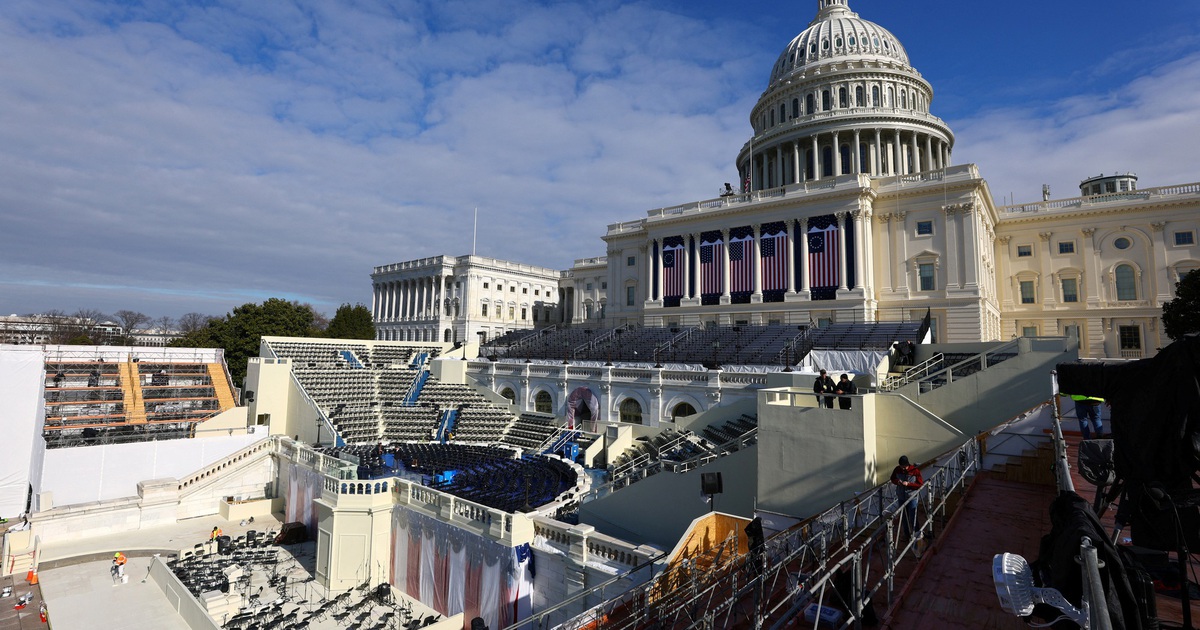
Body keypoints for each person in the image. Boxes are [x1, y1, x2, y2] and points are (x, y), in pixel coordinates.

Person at [891, 456, 924, 539]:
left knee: (913, 517)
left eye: (903, 467)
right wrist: (898, 482)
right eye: (901, 466)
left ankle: (917, 535)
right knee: (904, 518)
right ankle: (907, 536)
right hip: (901, 497)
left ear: (907, 465)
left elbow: (920, 484)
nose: (902, 468)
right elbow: (892, 478)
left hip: (911, 497)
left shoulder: (915, 471)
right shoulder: (897, 469)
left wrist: (909, 484)